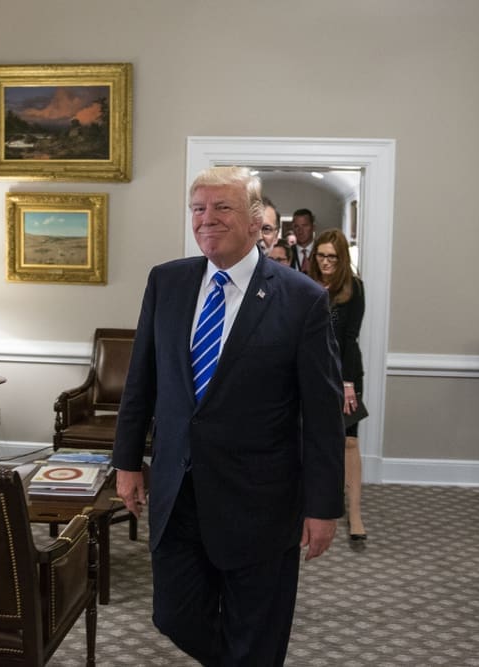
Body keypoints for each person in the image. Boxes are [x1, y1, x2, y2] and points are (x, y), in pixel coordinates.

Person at [113, 166, 345, 666]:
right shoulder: (167, 282)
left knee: (258, 632)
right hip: (178, 493)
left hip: (260, 502)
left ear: (256, 219)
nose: (207, 219)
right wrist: (127, 462)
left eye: (222, 207)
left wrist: (323, 506)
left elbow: (323, 415)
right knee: (173, 615)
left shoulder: (302, 298)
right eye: (198, 208)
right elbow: (143, 380)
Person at [307, 229, 367, 546]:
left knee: (349, 443)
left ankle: (354, 513)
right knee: (309, 439)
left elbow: (349, 338)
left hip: (345, 375)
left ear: (342, 259)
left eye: (332, 256)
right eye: (321, 255)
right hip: (309, 373)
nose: (326, 262)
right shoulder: (302, 284)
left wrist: (348, 384)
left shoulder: (354, 288)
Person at [289, 208, 316, 272]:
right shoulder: (289, 252)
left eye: (305, 225)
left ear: (313, 227)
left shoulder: (321, 251)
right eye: (296, 226)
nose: (300, 231)